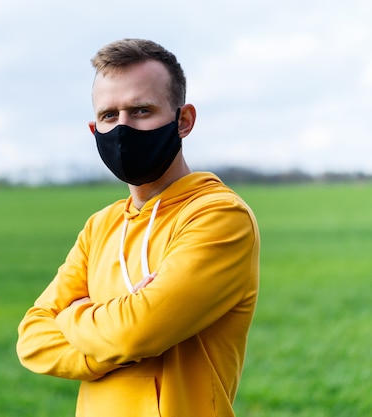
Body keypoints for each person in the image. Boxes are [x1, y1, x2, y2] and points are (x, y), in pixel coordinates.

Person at [16, 38, 260, 417]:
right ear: (93, 127)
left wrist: (72, 316)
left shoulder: (219, 218)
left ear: (183, 120)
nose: (123, 128)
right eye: (109, 116)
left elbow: (136, 332)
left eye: (141, 110)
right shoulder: (101, 226)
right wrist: (120, 334)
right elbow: (32, 340)